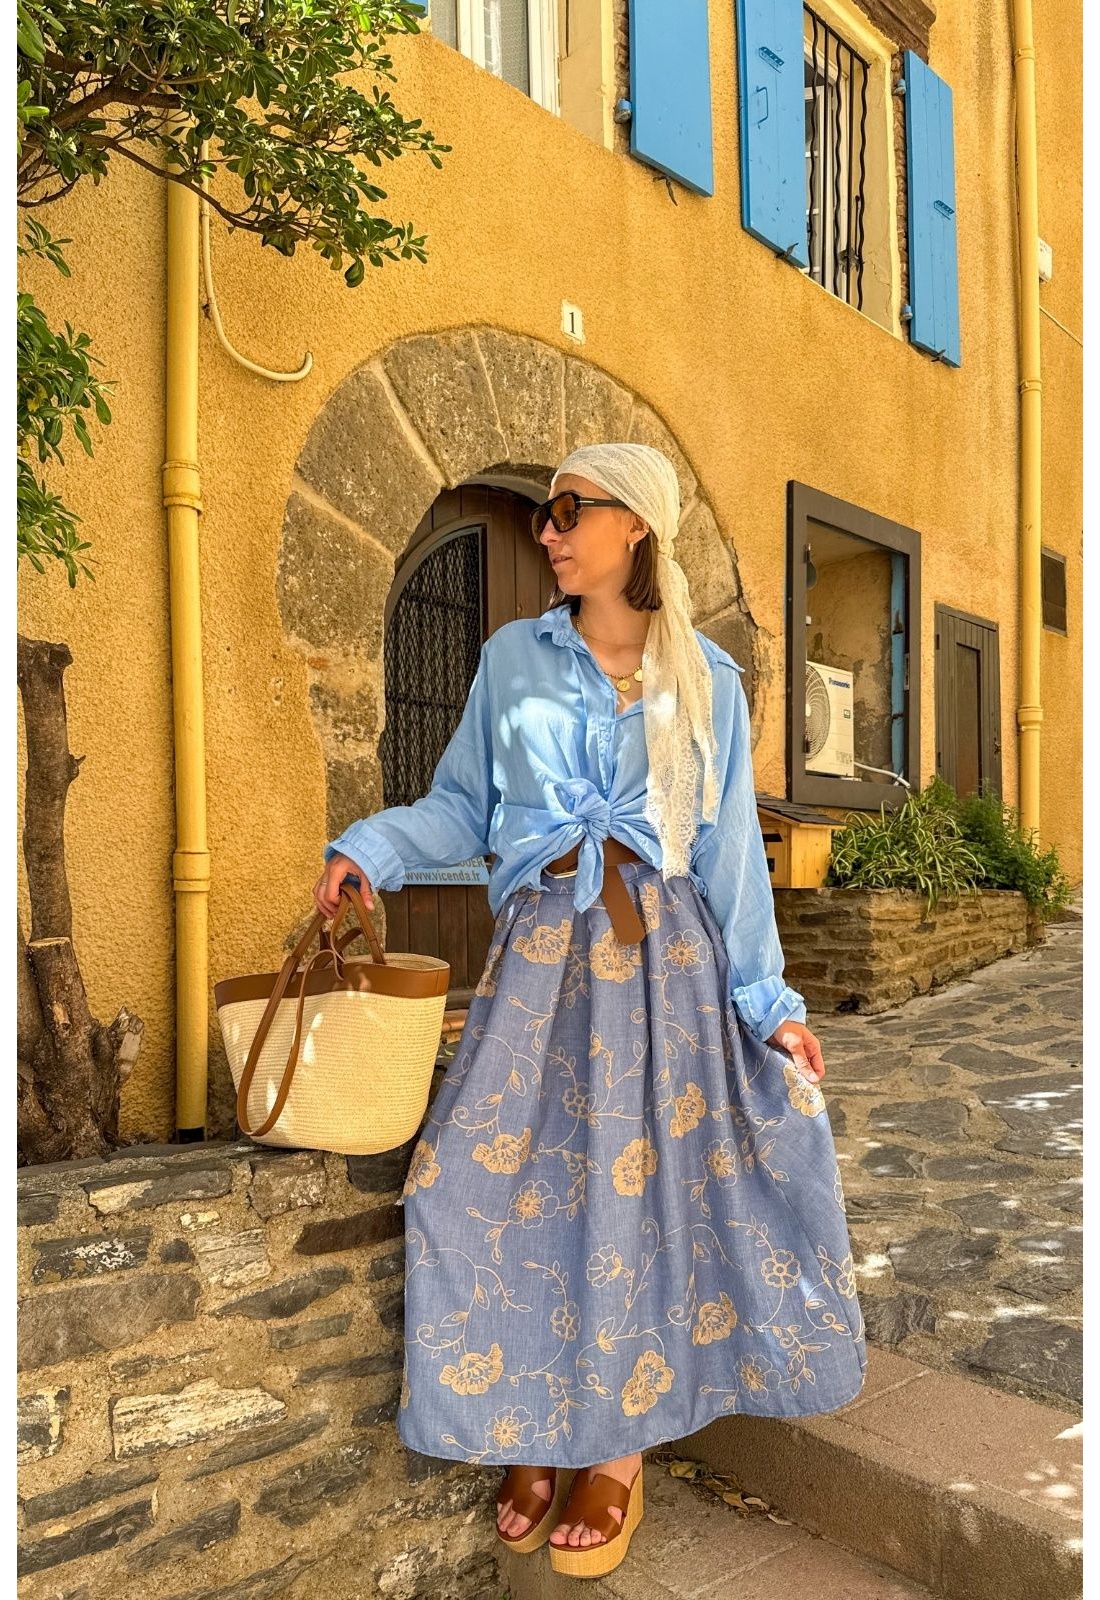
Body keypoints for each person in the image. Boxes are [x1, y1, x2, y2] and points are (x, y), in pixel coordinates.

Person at [314, 442, 866, 1581]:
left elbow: (729, 859)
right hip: (538, 965)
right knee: (474, 1181)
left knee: (637, 1203)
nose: (547, 531)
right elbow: (460, 806)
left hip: (666, 972)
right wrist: (370, 849)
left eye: (570, 511)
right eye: (547, 513)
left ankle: (613, 1453)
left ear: (636, 526)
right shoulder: (512, 659)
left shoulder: (706, 677)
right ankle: (529, 1419)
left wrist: (769, 1007)